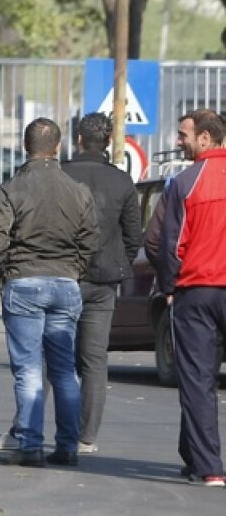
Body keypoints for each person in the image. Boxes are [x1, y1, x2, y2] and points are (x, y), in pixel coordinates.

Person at [0, 117, 97, 468]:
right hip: (65, 283)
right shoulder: (77, 189)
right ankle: (68, 446)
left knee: (28, 369)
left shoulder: (12, 189)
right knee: (64, 369)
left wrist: (0, 277)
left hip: (23, 281)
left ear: (24, 146)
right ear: (59, 147)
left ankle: (30, 445)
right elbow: (90, 240)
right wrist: (74, 270)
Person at [61, 112, 142, 454]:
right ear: (108, 142)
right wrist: (114, 260)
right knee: (94, 359)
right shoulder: (122, 182)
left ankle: (36, 427)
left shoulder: (61, 174)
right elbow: (133, 236)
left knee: (53, 355)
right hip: (104, 279)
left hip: (64, 275)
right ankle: (86, 436)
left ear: (79, 139)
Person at [156, 109, 226, 487]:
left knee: (198, 381)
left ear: (205, 139)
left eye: (184, 135)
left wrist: (169, 287)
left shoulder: (185, 182)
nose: (179, 141)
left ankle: (209, 466)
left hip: (197, 291)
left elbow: (171, 244)